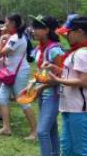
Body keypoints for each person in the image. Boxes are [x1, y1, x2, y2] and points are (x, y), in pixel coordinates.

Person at [42, 15, 87, 156]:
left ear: (80, 32)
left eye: (68, 32)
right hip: (70, 107)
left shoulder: (82, 54)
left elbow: (84, 81)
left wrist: (58, 80)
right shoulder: (76, 52)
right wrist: (55, 68)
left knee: (81, 150)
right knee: (67, 148)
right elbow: (72, 74)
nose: (66, 35)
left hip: (80, 109)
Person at [23, 15, 65, 155]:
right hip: (43, 94)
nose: (32, 30)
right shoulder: (40, 49)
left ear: (46, 30)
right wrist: (33, 84)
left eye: (36, 28)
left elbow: (60, 76)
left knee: (42, 131)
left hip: (54, 95)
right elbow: (42, 73)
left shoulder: (55, 50)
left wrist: (40, 88)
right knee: (51, 130)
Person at [0, 14, 38, 140]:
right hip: (11, 72)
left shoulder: (16, 38)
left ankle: (35, 132)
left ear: (13, 23)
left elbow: (0, 52)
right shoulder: (16, 36)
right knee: (2, 97)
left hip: (19, 72)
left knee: (22, 101)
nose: (4, 25)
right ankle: (6, 128)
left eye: (6, 22)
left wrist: (1, 37)